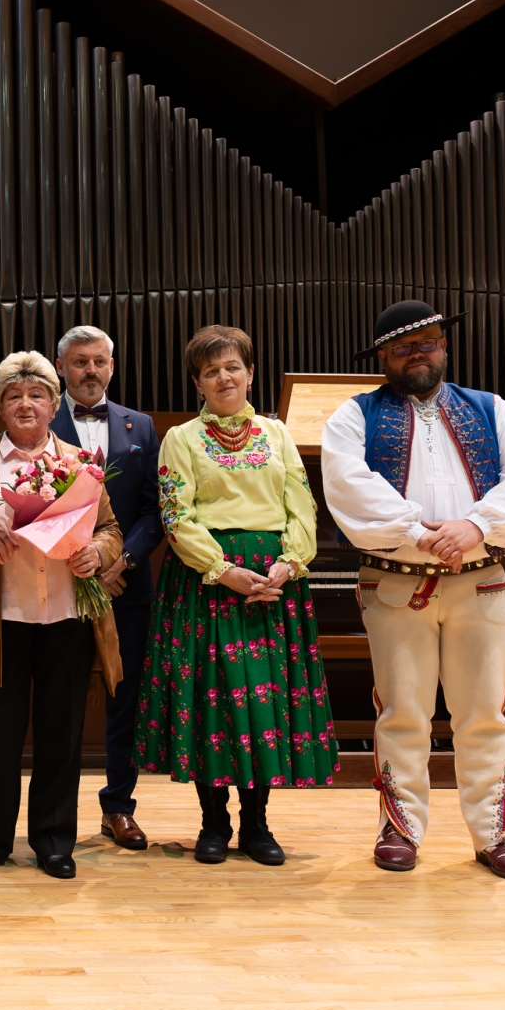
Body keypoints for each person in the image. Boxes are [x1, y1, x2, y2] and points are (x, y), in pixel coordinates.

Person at [321, 300, 505, 881]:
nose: (417, 353)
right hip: (396, 584)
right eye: (402, 346)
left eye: (426, 341)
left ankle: (497, 833)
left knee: (483, 714)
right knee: (403, 712)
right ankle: (400, 828)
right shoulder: (353, 416)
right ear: (382, 358)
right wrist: (421, 534)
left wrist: (476, 526)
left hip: (484, 582)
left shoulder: (494, 410)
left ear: (444, 345)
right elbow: (350, 489)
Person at [135, 325, 336, 866]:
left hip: (275, 584)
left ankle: (258, 824)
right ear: (197, 382)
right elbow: (177, 516)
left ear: (250, 372)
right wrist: (222, 570)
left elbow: (303, 506)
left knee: (264, 703)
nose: (223, 377)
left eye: (232, 367)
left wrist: (287, 565)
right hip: (208, 583)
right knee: (214, 701)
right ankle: (213, 822)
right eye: (210, 370)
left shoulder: (277, 434)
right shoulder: (181, 438)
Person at [0, 351, 124, 879]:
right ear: (0, 406)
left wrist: (101, 553)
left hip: (66, 615)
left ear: (52, 403)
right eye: (13, 396)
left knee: (61, 734)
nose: (26, 404)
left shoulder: (81, 462)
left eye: (36, 395)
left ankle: (52, 841)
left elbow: (110, 529)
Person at [49, 325, 162, 852]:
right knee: (62, 699)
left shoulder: (142, 426)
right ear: (62, 368)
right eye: (78, 362)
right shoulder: (39, 425)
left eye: (98, 361)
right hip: (59, 585)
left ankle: (118, 807)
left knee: (126, 701)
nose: (89, 370)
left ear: (112, 367)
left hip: (127, 586)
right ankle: (55, 818)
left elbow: (151, 510)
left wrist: (123, 561)